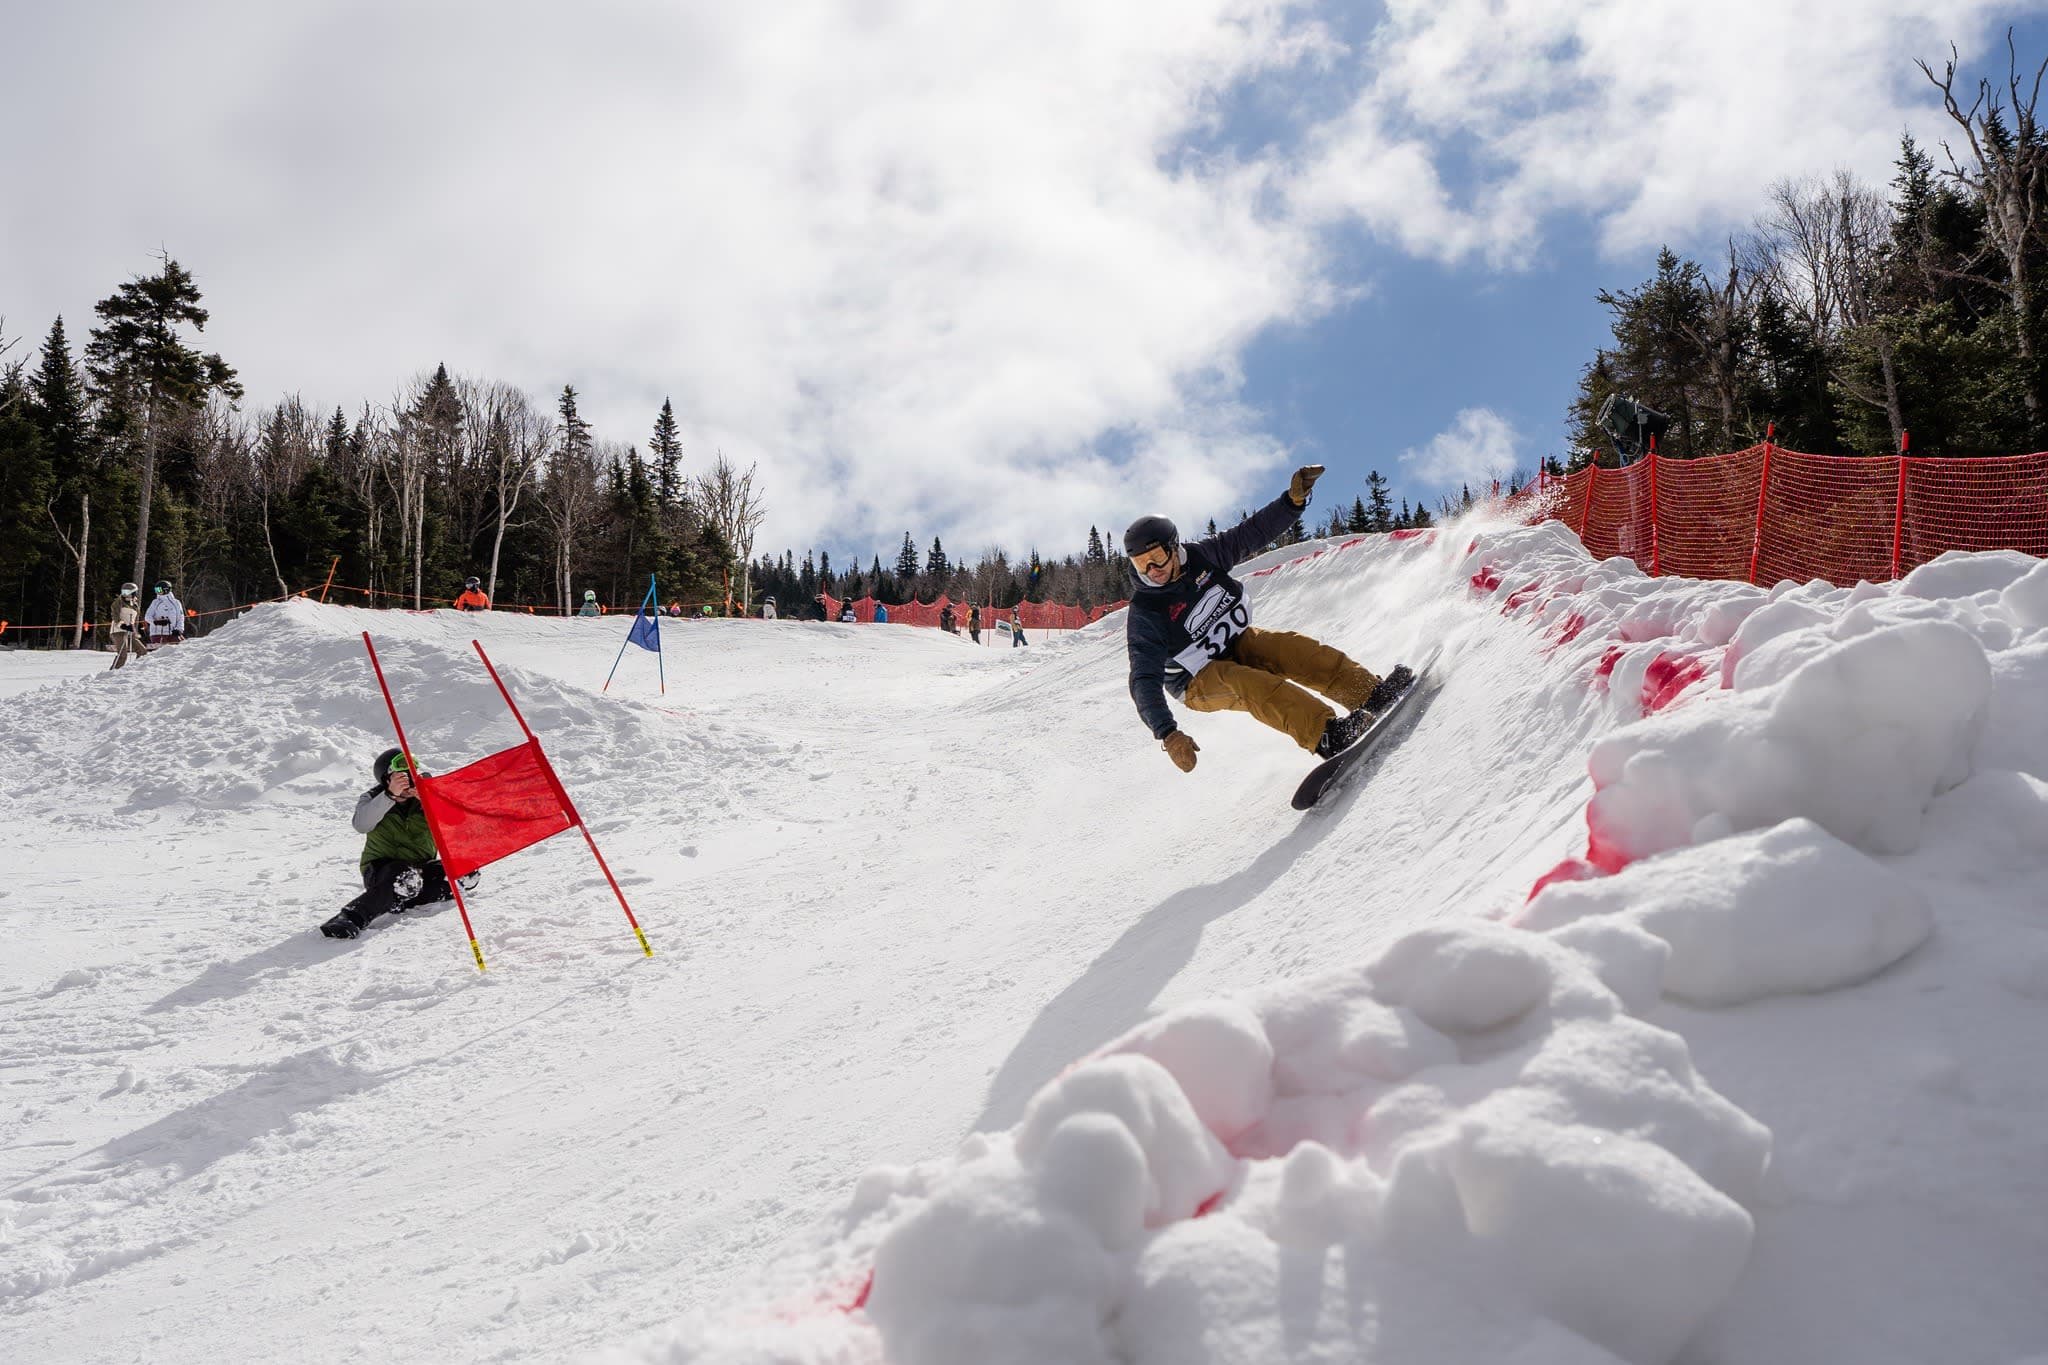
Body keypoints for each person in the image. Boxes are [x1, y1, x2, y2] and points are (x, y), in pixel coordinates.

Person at [1123, 464, 1411, 772]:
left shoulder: (1201, 557)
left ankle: (1367, 693)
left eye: (1156, 558)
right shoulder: (1146, 612)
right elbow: (1143, 680)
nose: (1152, 570)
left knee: (1294, 650)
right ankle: (1327, 736)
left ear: (1174, 547)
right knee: (1248, 682)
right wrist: (1168, 732)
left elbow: (1252, 533)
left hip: (1236, 642)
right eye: (1141, 564)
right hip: (1195, 680)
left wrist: (1292, 502)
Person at [320, 749, 479, 940]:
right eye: (401, 777)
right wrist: (389, 796)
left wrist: (430, 801)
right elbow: (361, 825)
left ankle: (399, 898)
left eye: (411, 775)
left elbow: (457, 822)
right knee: (403, 874)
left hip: (421, 868)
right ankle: (352, 917)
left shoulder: (426, 795)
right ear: (387, 779)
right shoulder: (373, 798)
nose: (408, 781)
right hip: (382, 870)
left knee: (465, 873)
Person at [108, 582, 147, 670]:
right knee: (123, 655)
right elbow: (115, 616)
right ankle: (112, 673)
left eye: (127, 592)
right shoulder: (118, 602)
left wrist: (138, 630)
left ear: (133, 593)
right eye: (124, 592)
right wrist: (123, 625)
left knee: (142, 651)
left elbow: (134, 620)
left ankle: (134, 670)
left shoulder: (135, 605)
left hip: (130, 631)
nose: (125, 594)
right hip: (118, 631)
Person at [144, 580, 185, 647]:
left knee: (180, 650)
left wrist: (179, 629)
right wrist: (156, 622)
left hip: (172, 633)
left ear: (166, 590)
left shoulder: (176, 603)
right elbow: (147, 617)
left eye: (159, 590)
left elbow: (180, 617)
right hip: (157, 633)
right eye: (156, 590)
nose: (158, 592)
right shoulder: (155, 602)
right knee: (159, 653)